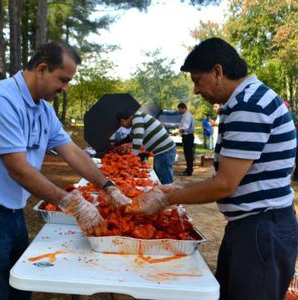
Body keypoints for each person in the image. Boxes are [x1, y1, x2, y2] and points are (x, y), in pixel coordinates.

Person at [0, 41, 131, 300]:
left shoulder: (43, 110)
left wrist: (108, 187)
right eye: (63, 79)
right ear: (42, 69)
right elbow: (19, 170)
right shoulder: (1, 100)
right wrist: (72, 203)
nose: (66, 88)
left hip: (13, 214)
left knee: (19, 290)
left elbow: (73, 152)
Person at [131, 37, 298, 300]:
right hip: (251, 225)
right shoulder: (244, 101)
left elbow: (225, 184)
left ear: (218, 72)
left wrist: (167, 197)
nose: (196, 91)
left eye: (198, 80)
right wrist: (177, 189)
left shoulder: (248, 106)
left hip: (262, 228)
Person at [116, 110, 176, 184]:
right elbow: (130, 137)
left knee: (166, 182)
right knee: (161, 178)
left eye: (121, 125)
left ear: (122, 121)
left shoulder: (137, 118)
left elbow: (137, 141)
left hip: (164, 152)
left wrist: (131, 159)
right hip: (162, 152)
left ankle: (171, 195)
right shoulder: (136, 119)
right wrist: (118, 144)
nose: (123, 127)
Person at [177, 102, 195, 176]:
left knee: (188, 154)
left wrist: (178, 131)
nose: (179, 111)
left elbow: (186, 127)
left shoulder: (187, 116)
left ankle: (189, 171)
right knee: (187, 154)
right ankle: (188, 169)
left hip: (188, 136)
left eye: (179, 109)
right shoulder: (185, 115)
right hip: (186, 136)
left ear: (183, 108)